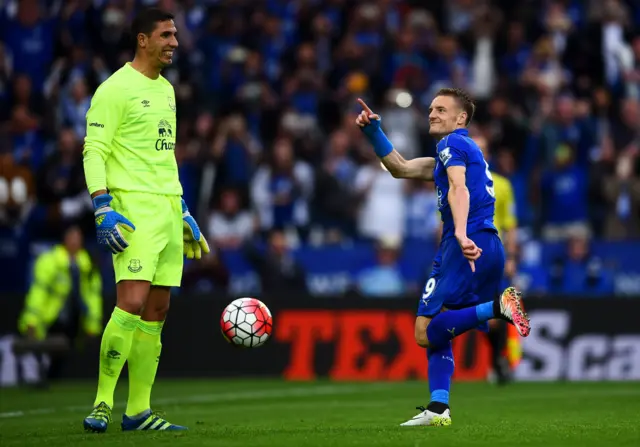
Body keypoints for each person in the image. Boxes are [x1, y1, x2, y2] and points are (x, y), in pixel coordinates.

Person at [355, 88, 530, 427]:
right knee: (440, 327)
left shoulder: (453, 145)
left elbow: (459, 189)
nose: (432, 114)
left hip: (466, 242)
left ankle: (499, 307)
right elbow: (401, 168)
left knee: (424, 332)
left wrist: (462, 233)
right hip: (486, 244)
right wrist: (373, 131)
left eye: (440, 109)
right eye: (431, 108)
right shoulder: (451, 155)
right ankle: (438, 408)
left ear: (460, 118)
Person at [82, 8, 209, 433]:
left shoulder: (168, 91)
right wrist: (102, 205)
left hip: (167, 207)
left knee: (157, 309)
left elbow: (163, 155)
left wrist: (183, 208)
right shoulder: (114, 89)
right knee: (131, 302)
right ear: (143, 39)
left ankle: (138, 410)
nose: (174, 42)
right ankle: (102, 403)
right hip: (132, 210)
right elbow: (94, 150)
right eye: (166, 35)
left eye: (175, 35)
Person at [17, 225, 102, 384]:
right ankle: (42, 378)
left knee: (65, 356)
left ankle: (52, 380)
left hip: (76, 319)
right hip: (52, 318)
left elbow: (93, 297)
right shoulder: (49, 262)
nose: (75, 241)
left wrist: (93, 325)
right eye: (72, 237)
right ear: (65, 239)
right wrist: (31, 320)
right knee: (49, 352)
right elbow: (38, 292)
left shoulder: (87, 264)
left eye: (78, 237)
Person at [475, 136, 521, 385]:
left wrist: (512, 256)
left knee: (492, 314)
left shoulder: (502, 185)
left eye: (482, 149)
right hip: (463, 257)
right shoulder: (456, 182)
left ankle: (497, 361)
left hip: (493, 257)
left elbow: (510, 224)